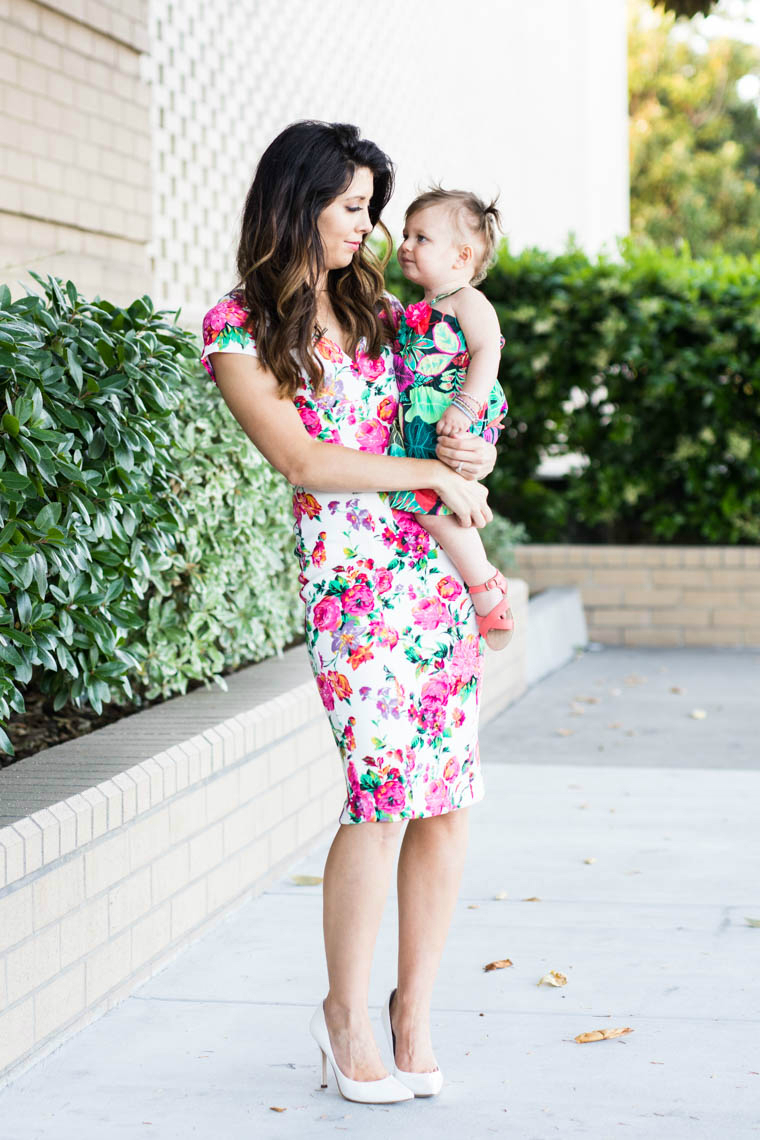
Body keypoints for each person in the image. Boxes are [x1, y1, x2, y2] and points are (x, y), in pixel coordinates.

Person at [200, 121, 500, 1105]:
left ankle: (413, 1011)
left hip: (430, 575)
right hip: (353, 587)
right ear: (298, 204)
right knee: (379, 795)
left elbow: (452, 405)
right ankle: (345, 1016)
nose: (366, 229)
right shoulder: (235, 328)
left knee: (444, 799)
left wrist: (468, 453)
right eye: (349, 208)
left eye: (372, 210)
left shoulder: (390, 315)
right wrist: (424, 469)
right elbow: (303, 462)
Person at [390, 188, 514, 650]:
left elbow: (487, 353)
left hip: (456, 417)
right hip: (427, 423)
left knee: (439, 508)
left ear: (462, 257)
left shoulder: (468, 301)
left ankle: (486, 587)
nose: (405, 245)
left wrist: (466, 406)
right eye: (406, 234)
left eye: (421, 237)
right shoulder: (418, 309)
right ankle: (476, 584)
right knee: (432, 507)